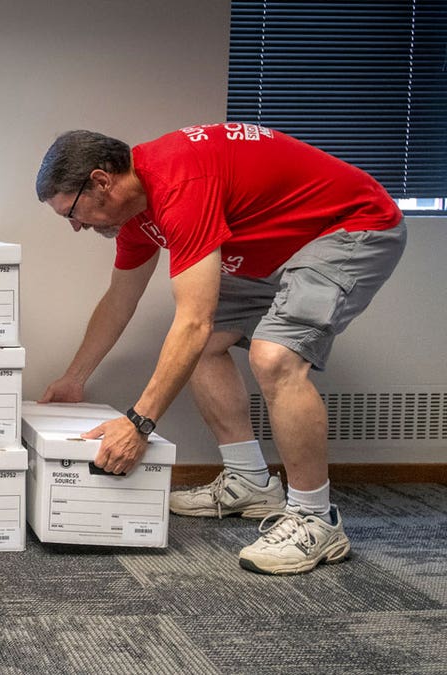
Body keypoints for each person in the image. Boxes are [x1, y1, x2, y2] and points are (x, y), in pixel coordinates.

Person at [35, 124, 406, 575]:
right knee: (202, 347)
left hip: (351, 227)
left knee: (274, 357)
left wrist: (138, 424)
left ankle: (316, 518)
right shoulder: (135, 214)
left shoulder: (179, 183)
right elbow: (120, 300)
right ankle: (250, 480)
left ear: (101, 181)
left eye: (72, 213)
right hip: (277, 246)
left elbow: (193, 319)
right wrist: (75, 378)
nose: (76, 227)